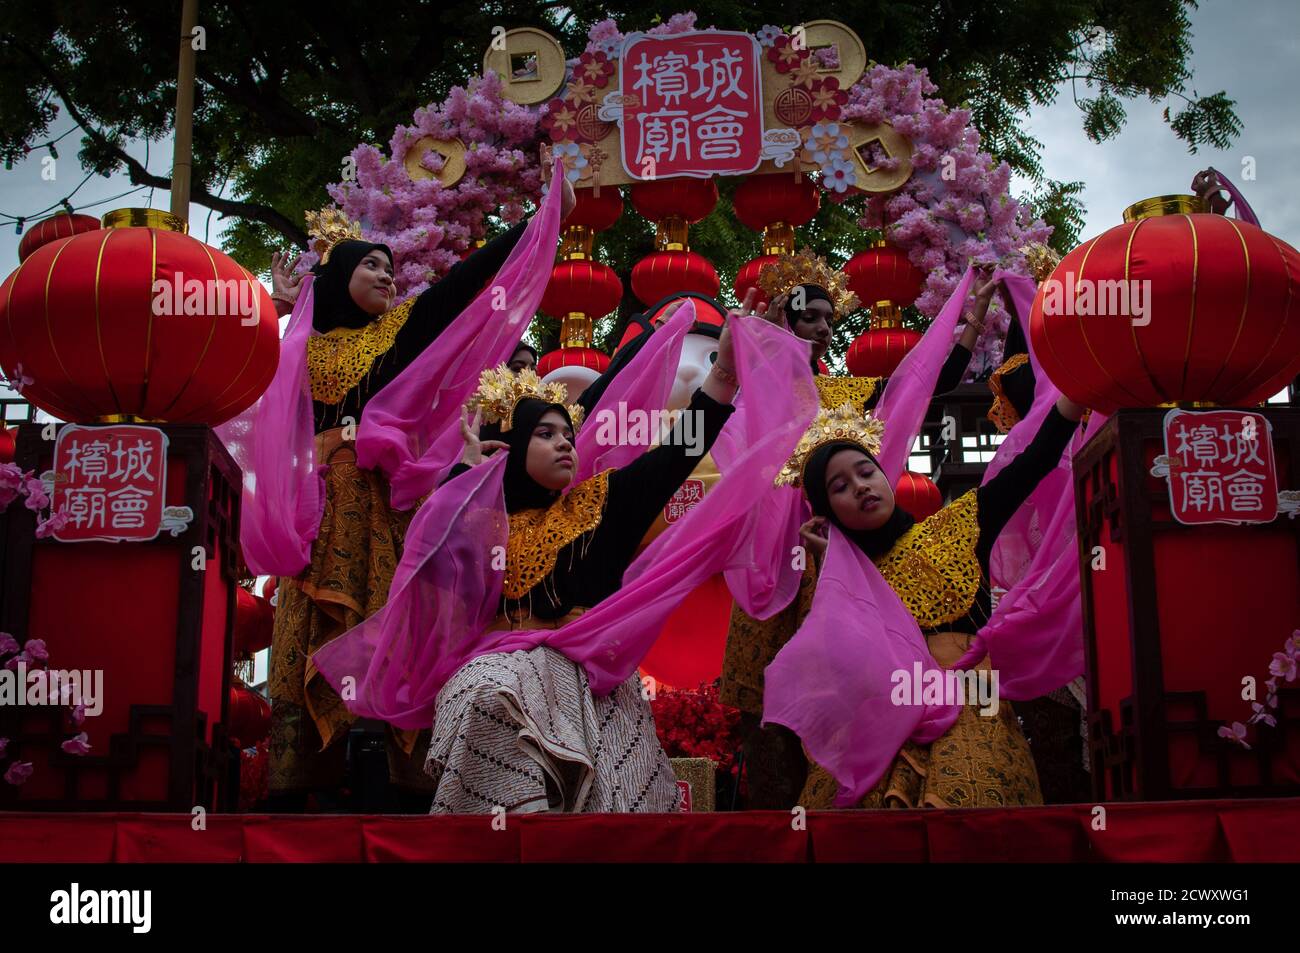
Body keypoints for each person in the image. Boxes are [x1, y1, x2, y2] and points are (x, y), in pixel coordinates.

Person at [258, 177, 576, 810]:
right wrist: (279, 310)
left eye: (391, 268)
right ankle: (308, 787)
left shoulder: (399, 332)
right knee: (311, 632)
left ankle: (394, 785)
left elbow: (465, 282)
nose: (386, 276)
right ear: (336, 276)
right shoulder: (298, 343)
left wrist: (542, 221)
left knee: (393, 627)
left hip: (387, 508)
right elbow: (248, 393)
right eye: (371, 266)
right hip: (314, 515)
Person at [422, 318, 742, 812]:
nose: (565, 443)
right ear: (507, 446)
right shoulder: (481, 521)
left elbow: (681, 451)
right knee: (485, 694)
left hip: (593, 686)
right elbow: (429, 559)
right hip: (500, 671)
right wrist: (463, 475)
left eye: (568, 435)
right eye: (545, 433)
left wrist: (723, 373)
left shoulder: (603, 502)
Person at [719, 258, 998, 809]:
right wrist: (759, 349)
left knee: (842, 679)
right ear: (786, 320)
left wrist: (971, 323)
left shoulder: (846, 392)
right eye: (811, 317)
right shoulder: (755, 391)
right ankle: (776, 817)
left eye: (830, 319)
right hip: (773, 559)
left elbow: (924, 384)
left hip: (843, 554)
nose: (824, 328)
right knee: (765, 697)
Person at [772, 388, 1085, 808]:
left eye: (866, 472)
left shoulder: (958, 527)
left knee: (971, 802)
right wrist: (832, 567)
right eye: (840, 486)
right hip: (887, 717)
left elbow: (1036, 460)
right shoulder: (838, 579)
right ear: (826, 512)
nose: (861, 487)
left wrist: (1075, 390)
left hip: (974, 702)